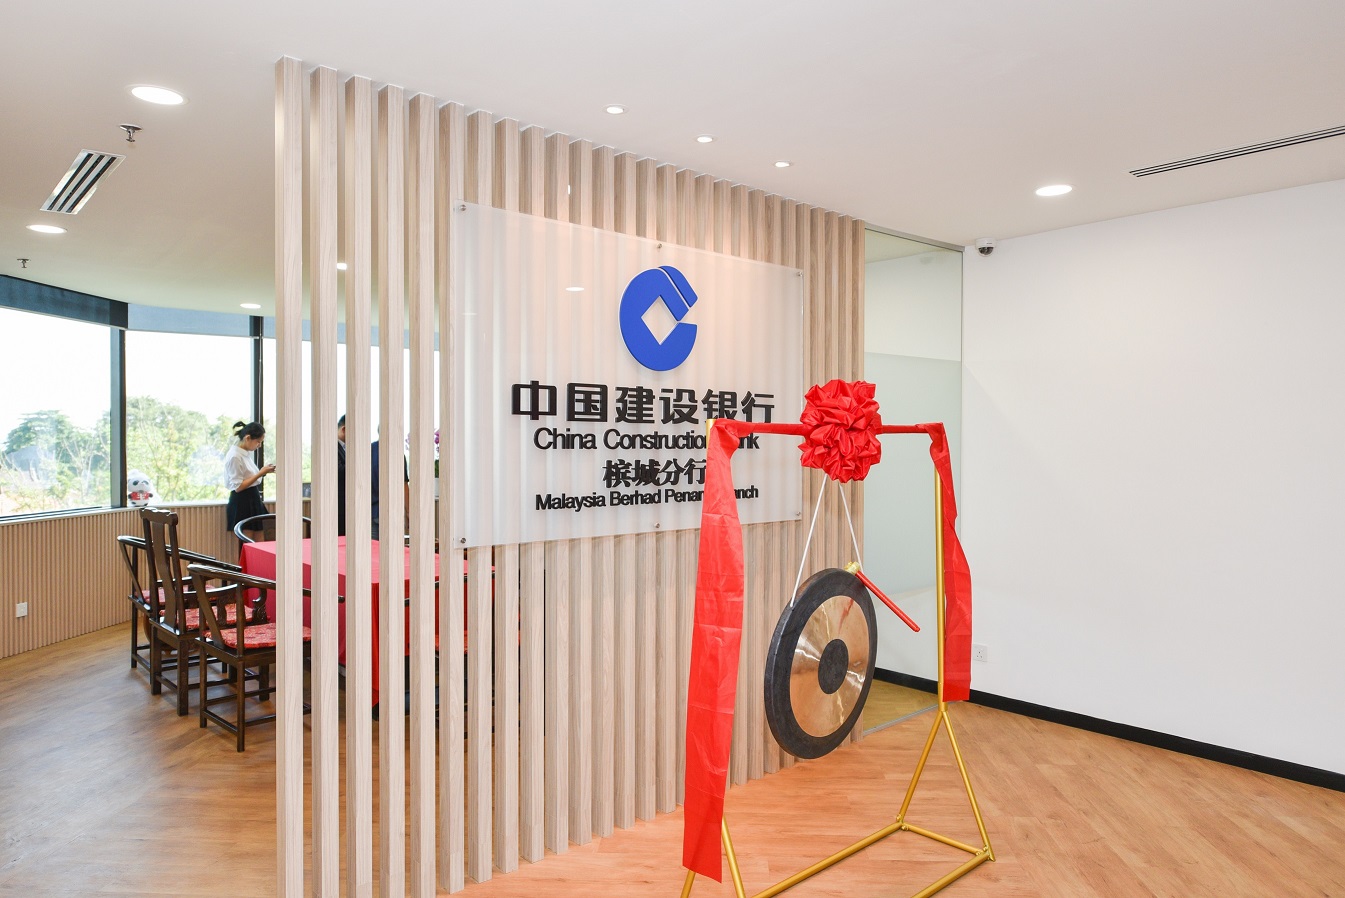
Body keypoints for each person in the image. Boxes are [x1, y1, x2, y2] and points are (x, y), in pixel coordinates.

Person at [225, 420, 273, 542]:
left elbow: (250, 477)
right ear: (248, 438)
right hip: (243, 500)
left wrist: (263, 472)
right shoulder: (235, 456)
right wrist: (261, 473)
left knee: (260, 541)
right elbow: (238, 487)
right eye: (258, 442)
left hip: (253, 498)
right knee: (248, 542)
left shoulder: (244, 454)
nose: (259, 445)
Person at [370, 434, 409, 541]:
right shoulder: (396, 453)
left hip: (370, 511)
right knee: (393, 547)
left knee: (373, 548)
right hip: (391, 512)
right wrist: (408, 512)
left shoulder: (368, 451)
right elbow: (403, 486)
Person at [336, 414, 347, 537]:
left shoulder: (343, 447)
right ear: (344, 429)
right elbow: (338, 471)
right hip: (338, 506)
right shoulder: (331, 446)